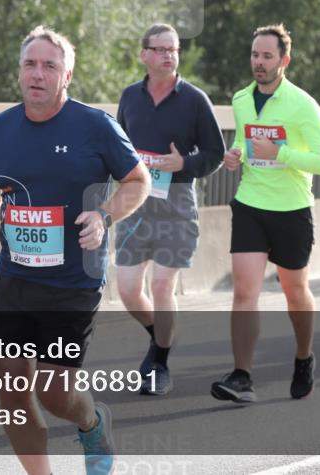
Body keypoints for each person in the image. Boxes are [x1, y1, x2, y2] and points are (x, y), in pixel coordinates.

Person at [0, 26, 150, 475]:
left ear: (67, 76)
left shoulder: (95, 126)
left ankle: (93, 421)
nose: (37, 74)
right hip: (15, 279)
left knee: (54, 392)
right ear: (19, 72)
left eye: (49, 66)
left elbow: (138, 181)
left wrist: (103, 215)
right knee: (13, 392)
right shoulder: (0, 131)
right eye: (29, 64)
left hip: (73, 281)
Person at [210, 24, 320, 403]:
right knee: (244, 292)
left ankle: (303, 357)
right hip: (250, 204)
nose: (258, 63)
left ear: (284, 61)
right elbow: (244, 142)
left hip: (292, 210)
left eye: (266, 56)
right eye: (254, 55)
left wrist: (279, 154)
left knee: (295, 292)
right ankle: (242, 376)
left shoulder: (302, 105)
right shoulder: (242, 99)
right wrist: (235, 155)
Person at [114, 23, 224, 395]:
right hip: (135, 203)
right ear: (144, 54)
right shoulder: (129, 97)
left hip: (176, 203)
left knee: (162, 284)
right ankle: (159, 336)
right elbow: (121, 148)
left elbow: (216, 154)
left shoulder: (194, 100)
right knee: (128, 289)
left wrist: (184, 166)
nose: (168, 55)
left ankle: (159, 363)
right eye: (160, 49)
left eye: (173, 49)